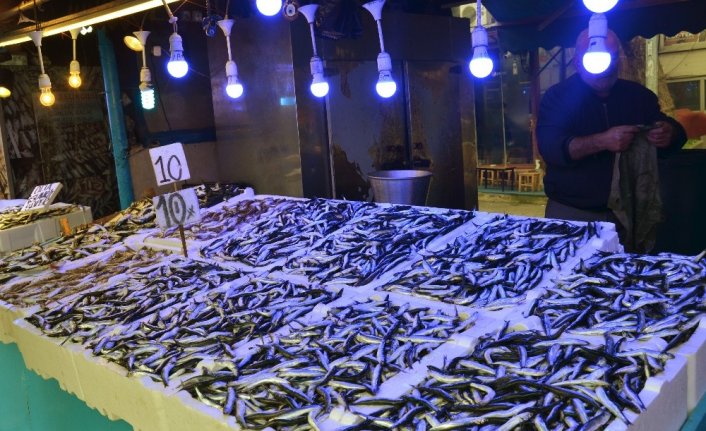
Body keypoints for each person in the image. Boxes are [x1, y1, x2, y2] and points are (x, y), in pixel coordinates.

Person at [537, 29, 686, 228]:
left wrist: (669, 134)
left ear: (619, 59)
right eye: (596, 62)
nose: (605, 69)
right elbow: (551, 149)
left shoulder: (639, 96)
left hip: (632, 211)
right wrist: (602, 141)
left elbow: (677, 136)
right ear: (578, 63)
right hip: (572, 211)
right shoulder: (557, 97)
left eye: (612, 58)